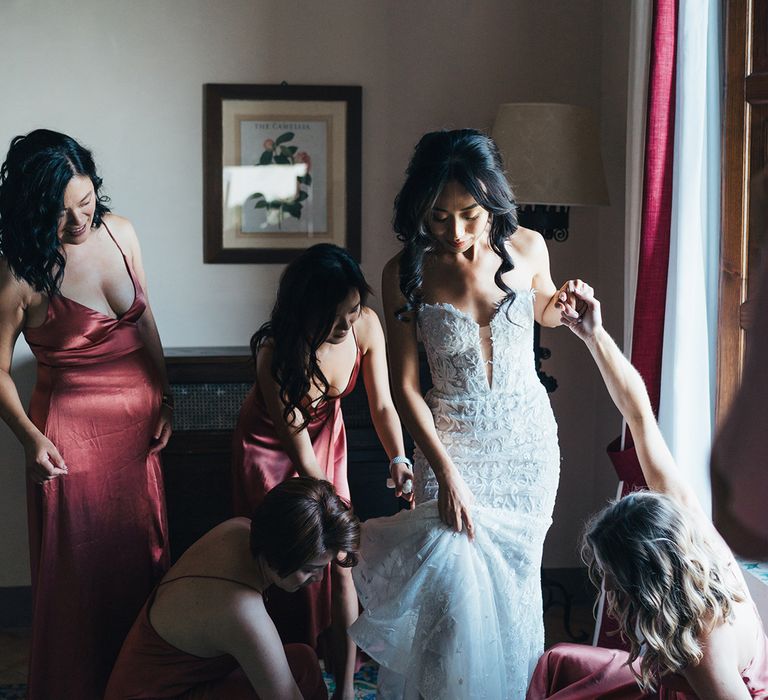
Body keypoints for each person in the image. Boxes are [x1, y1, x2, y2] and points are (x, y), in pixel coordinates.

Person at [349, 129, 580, 698]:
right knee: (452, 606)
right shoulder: (403, 270)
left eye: (470, 215)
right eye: (439, 217)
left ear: (492, 201)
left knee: (517, 594)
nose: (455, 232)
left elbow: (546, 307)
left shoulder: (526, 246)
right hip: (450, 447)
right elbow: (405, 387)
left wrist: (565, 301)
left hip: (526, 447)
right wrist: (447, 472)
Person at [527, 286, 768, 699]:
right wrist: (592, 335)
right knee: (561, 661)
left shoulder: (701, 644)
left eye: (613, 577)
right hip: (673, 681)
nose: (610, 589)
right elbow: (639, 416)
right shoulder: (696, 539)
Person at [0, 129, 171, 699]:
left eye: (86, 203)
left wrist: (165, 395)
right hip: (71, 439)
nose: (79, 223)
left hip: (138, 435)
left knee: (138, 559)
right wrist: (28, 439)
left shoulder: (121, 234)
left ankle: (139, 684)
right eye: (60, 212)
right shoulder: (18, 274)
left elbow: (144, 322)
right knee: (78, 575)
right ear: (31, 209)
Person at [231, 243, 411, 699]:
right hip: (272, 449)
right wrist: (338, 517)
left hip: (327, 439)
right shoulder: (275, 355)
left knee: (343, 565)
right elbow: (302, 462)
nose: (346, 323)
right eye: (333, 317)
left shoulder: (366, 326)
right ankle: (280, 674)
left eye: (352, 309)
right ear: (303, 311)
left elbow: (384, 405)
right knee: (282, 558)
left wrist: (399, 458)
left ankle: (345, 689)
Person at [106, 477, 358, 700]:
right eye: (310, 568)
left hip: (182, 683)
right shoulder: (242, 613)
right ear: (282, 554)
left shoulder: (239, 529)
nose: (318, 579)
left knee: (303, 663)